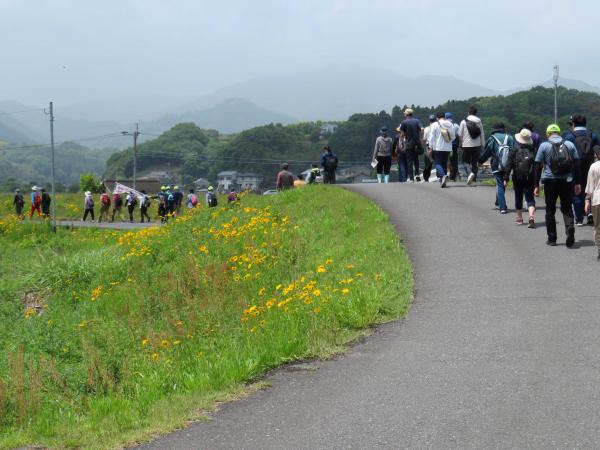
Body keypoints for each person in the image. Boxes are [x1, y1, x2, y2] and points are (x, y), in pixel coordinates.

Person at [534, 124, 581, 247]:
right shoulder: (569, 145)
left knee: (550, 209)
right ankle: (569, 227)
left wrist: (536, 185)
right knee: (566, 207)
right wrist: (578, 183)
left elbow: (537, 166)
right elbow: (577, 165)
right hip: (567, 180)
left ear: (548, 133)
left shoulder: (544, 145)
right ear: (559, 133)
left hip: (550, 181)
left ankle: (552, 239)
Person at [563, 114, 599, 226]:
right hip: (590, 166)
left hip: (575, 167)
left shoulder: (570, 136)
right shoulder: (592, 135)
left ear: (573, 123)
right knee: (590, 191)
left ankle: (579, 219)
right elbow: (597, 149)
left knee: (577, 192)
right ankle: (590, 215)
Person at [479, 123, 514, 214]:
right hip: (508, 165)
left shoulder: (492, 138)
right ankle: (498, 201)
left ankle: (502, 207)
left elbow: (487, 152)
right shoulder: (510, 138)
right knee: (503, 183)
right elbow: (514, 151)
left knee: (500, 184)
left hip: (497, 164)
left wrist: (480, 161)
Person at [505, 128, 537, 227]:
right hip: (529, 177)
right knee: (530, 198)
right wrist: (537, 182)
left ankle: (519, 218)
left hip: (517, 177)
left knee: (518, 197)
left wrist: (506, 178)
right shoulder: (533, 150)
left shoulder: (514, 150)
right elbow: (536, 166)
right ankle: (531, 216)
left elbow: (508, 164)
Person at [427, 112, 456, 188]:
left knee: (438, 164)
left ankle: (443, 176)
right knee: (444, 163)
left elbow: (431, 137)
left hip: (438, 147)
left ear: (437, 118)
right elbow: (453, 137)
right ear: (445, 117)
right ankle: (443, 180)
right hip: (448, 148)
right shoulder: (450, 124)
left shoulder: (434, 125)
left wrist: (430, 147)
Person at [458, 106, 485, 185]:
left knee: (465, 161)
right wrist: (483, 144)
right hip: (477, 145)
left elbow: (460, 134)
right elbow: (482, 134)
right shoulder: (479, 122)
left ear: (468, 112)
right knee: (474, 162)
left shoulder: (463, 122)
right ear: (476, 113)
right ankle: (474, 179)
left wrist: (460, 144)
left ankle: (470, 174)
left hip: (466, 145)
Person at [584, 148, 600, 260]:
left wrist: (587, 201)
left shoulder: (594, 166)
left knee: (598, 227)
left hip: (597, 200)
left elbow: (590, 187)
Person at [400, 108, 423, 182]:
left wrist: (402, 143)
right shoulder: (417, 121)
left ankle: (411, 178)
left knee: (409, 161)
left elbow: (402, 134)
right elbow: (422, 129)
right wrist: (420, 138)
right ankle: (417, 174)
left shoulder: (404, 122)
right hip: (416, 143)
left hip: (408, 143)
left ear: (406, 114)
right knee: (416, 159)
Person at [445, 112, 461, 181]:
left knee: (446, 160)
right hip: (454, 145)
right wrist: (460, 145)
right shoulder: (456, 125)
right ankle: (453, 176)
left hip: (445, 146)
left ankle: (444, 175)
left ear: (445, 117)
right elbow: (460, 136)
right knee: (454, 161)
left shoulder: (444, 125)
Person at [421, 115, 436, 182]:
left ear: (429, 120)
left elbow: (424, 139)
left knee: (427, 163)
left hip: (428, 147)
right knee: (437, 162)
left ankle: (426, 177)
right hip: (436, 147)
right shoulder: (437, 127)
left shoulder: (426, 129)